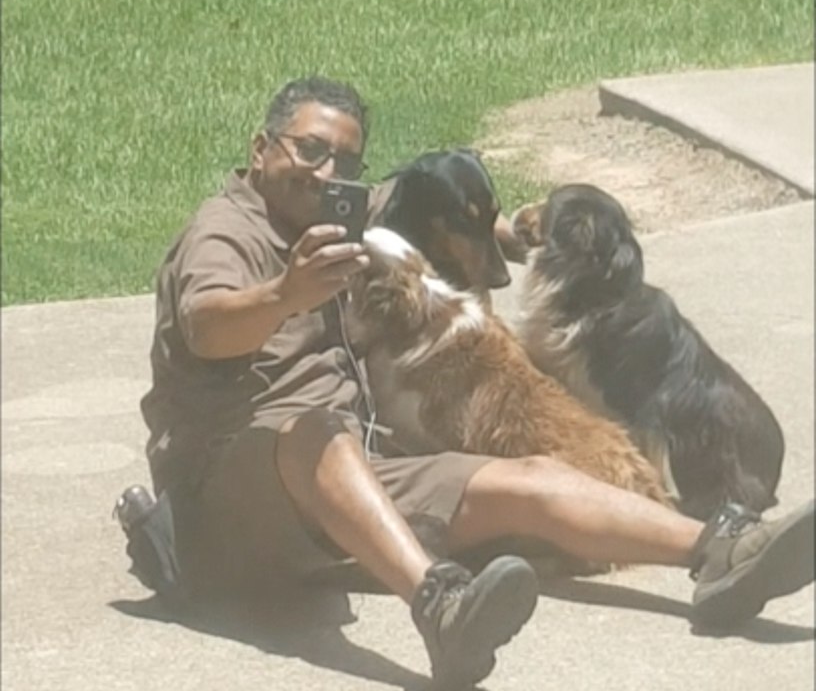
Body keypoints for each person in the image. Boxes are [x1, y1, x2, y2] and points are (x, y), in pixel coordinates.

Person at [123, 75, 815, 689]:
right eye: (310, 150)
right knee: (315, 427)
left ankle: (719, 552)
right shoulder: (224, 233)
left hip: (344, 479)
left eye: (346, 159)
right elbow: (208, 323)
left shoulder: (330, 211)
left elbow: (431, 191)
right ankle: (441, 607)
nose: (327, 170)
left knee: (528, 478)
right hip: (231, 497)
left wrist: (503, 231)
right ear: (261, 148)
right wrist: (283, 294)